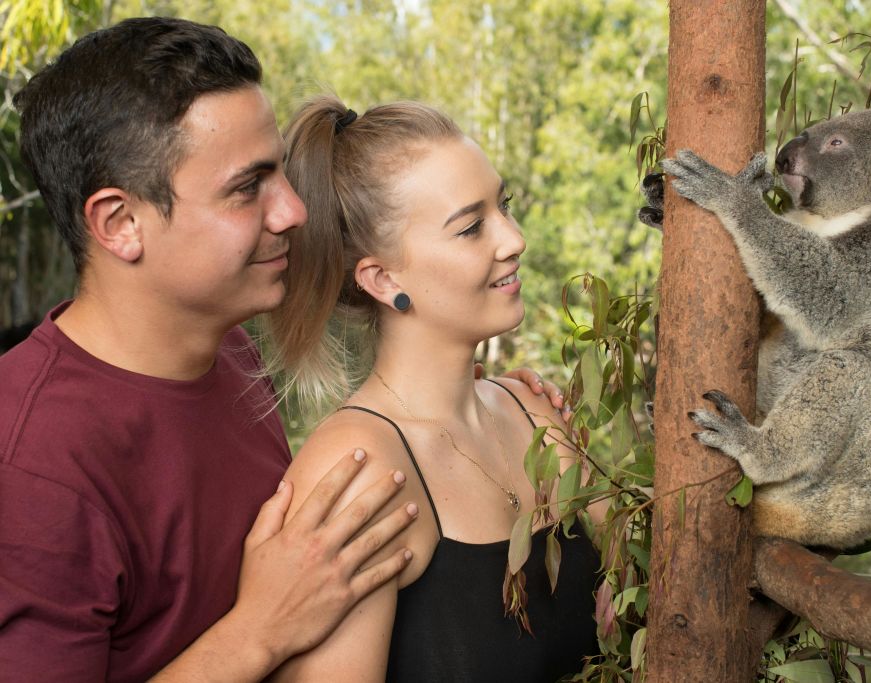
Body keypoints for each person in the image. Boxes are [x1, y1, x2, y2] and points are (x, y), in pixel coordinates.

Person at [0, 17, 565, 681]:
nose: (293, 210)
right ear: (121, 223)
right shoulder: (28, 460)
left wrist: (480, 407)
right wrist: (258, 631)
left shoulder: (235, 357)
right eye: (249, 186)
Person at [263, 96, 600, 681]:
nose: (514, 238)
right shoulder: (358, 471)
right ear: (382, 278)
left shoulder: (536, 412)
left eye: (505, 206)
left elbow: (655, 589)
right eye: (471, 227)